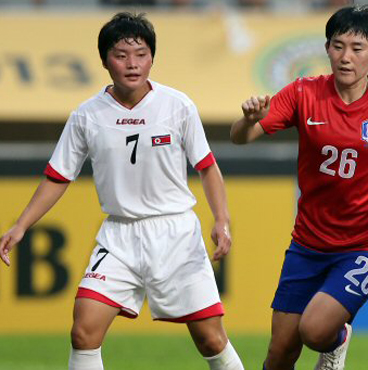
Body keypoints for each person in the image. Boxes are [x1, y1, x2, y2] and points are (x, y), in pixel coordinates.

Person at [0, 12, 244, 370]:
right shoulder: (87, 115)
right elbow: (58, 176)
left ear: (152, 57)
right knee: (83, 332)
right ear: (104, 61)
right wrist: (21, 226)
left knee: (210, 338)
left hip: (175, 231)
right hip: (119, 236)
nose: (132, 64)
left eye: (141, 54)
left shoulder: (178, 106)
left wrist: (221, 220)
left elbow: (207, 167)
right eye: (121, 55)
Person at [230, 4, 368, 370]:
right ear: (327, 48)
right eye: (337, 46)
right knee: (280, 351)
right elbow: (242, 137)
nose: (345, 57)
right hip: (308, 242)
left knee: (314, 331)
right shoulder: (304, 93)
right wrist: (247, 119)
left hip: (367, 242)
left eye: (357, 48)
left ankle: (337, 339)